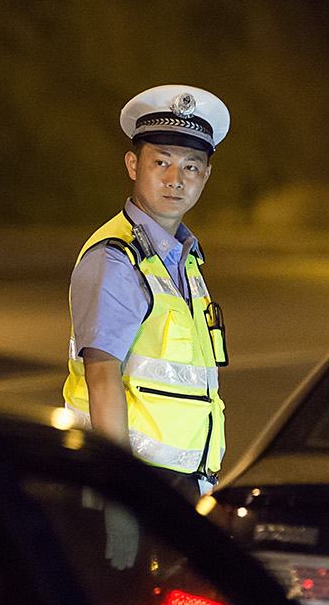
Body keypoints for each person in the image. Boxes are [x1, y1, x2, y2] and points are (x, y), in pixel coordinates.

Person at [64, 85, 229, 499]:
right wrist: (123, 498)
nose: (176, 179)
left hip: (181, 483)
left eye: (191, 166)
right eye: (162, 162)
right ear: (133, 165)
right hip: (136, 484)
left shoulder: (184, 259)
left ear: (206, 176)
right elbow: (102, 379)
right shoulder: (117, 257)